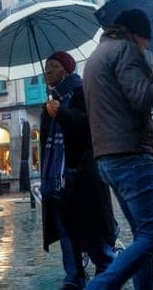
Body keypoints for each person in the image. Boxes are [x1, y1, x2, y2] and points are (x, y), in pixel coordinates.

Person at [83, 9, 153, 289]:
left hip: (108, 156)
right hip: (130, 156)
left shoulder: (98, 55)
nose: (145, 49)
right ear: (137, 35)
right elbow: (141, 96)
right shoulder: (125, 50)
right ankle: (98, 287)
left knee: (142, 235)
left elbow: (117, 107)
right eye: (145, 44)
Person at [41, 51, 117, 290]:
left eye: (52, 67)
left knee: (90, 226)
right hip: (58, 178)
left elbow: (89, 126)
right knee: (65, 228)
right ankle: (73, 276)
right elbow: (46, 143)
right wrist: (51, 111)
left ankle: (106, 267)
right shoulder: (50, 101)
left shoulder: (81, 91)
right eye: (46, 68)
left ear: (65, 69)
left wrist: (61, 111)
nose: (47, 72)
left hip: (82, 173)